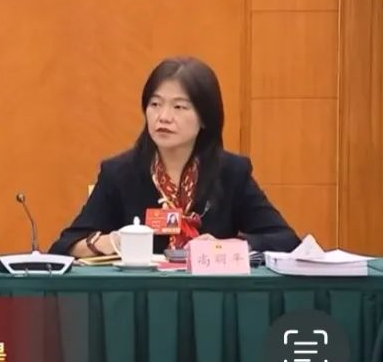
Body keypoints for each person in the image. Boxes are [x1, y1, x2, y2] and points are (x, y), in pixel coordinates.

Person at [50, 56, 300, 257]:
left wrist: (227, 247)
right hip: (141, 297)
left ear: (205, 118)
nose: (163, 117)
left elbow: (286, 240)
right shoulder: (120, 173)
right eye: (155, 104)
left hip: (208, 297)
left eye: (179, 107)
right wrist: (106, 242)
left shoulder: (231, 172)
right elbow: (64, 246)